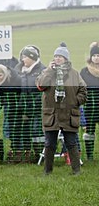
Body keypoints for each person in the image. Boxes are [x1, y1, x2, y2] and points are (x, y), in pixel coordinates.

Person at [36, 43, 87, 175]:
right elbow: (41, 85)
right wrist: (49, 71)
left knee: (71, 143)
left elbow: (83, 91)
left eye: (60, 56)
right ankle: (47, 171)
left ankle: (76, 171)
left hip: (69, 113)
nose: (57, 59)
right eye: (56, 56)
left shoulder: (75, 74)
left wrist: (75, 101)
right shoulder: (47, 72)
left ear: (66, 59)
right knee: (49, 144)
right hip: (52, 114)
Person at [14, 45, 46, 162]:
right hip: (24, 107)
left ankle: (40, 155)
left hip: (38, 107)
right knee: (26, 131)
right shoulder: (18, 70)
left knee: (37, 131)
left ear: (32, 58)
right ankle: (28, 154)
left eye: (25, 57)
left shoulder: (42, 70)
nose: (23, 60)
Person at [0, 64, 23, 163]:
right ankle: (14, 150)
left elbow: (21, 94)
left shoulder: (15, 81)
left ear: (4, 74)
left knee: (19, 132)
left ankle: (20, 152)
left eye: (0, 75)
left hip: (20, 110)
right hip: (9, 111)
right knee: (12, 132)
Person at [80, 42, 99, 160]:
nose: (96, 58)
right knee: (89, 132)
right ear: (91, 57)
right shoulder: (84, 71)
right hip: (90, 107)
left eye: (98, 55)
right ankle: (90, 155)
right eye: (94, 55)